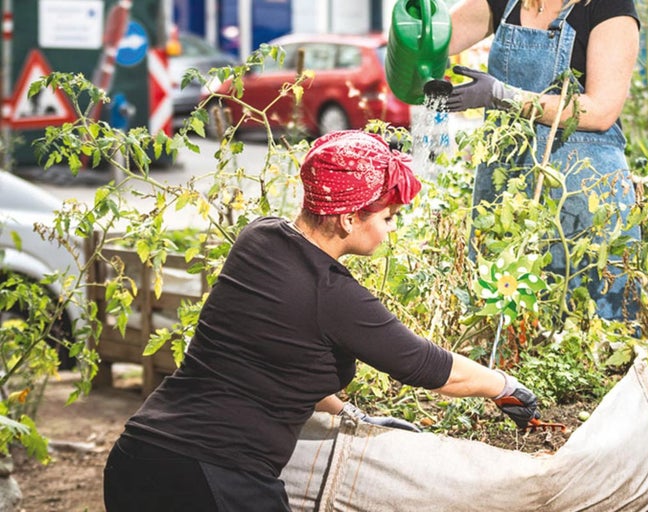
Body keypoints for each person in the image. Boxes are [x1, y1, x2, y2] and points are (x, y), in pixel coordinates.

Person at [102, 130, 540, 512]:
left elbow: (278, 363)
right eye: (388, 218)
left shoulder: (260, 238)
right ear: (349, 218)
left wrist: (348, 413)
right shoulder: (332, 295)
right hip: (215, 482)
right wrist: (504, 386)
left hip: (138, 456)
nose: (391, 230)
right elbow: (429, 368)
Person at [444, 0, 642, 323]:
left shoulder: (610, 5)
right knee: (501, 334)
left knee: (590, 337)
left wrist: (505, 97)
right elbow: (436, 36)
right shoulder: (508, 3)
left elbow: (601, 108)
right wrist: (412, 34)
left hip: (583, 209)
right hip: (507, 204)